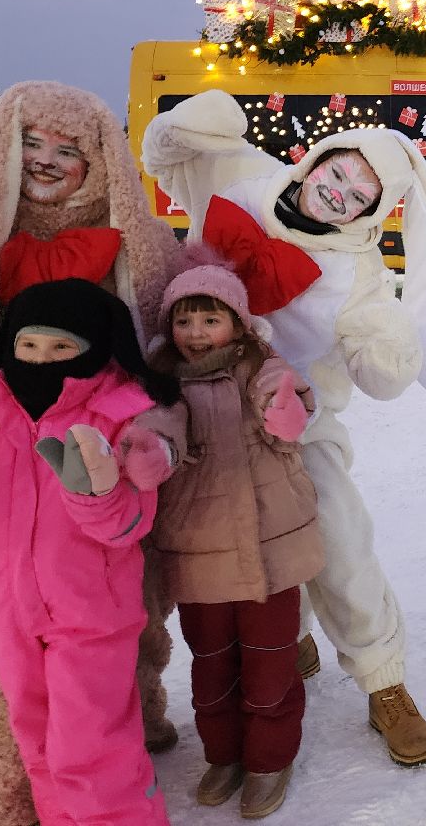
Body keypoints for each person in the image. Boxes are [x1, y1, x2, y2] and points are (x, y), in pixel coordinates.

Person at [142, 89, 426, 767]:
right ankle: (128, 696)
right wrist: (186, 125)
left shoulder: (357, 270)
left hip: (294, 425)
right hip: (191, 407)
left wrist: (388, 349)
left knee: (339, 538)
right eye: (339, 172)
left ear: (370, 212)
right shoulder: (242, 178)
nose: (340, 193)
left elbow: (378, 354)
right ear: (318, 159)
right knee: (164, 550)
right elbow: (165, 158)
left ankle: (382, 678)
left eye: (361, 196)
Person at [0, 82, 185, 824]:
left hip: (107, 447)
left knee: (118, 623)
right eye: (30, 144)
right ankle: (5, 785)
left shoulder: (134, 234)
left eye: (67, 149)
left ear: (99, 161)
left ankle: (119, 757)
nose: (45, 160)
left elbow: (177, 314)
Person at [149, 259, 323, 817]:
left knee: (271, 665)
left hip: (271, 546)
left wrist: (284, 409)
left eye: (211, 319)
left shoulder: (260, 366)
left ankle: (269, 759)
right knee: (211, 667)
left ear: (238, 324)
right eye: (184, 321)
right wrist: (152, 453)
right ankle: (224, 755)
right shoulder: (162, 380)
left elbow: (286, 398)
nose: (196, 333)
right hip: (198, 552)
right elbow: (159, 428)